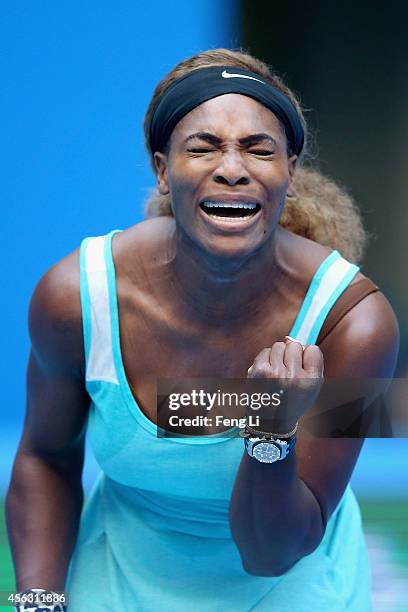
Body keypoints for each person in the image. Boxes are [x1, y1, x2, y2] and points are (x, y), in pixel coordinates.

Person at [6, 49, 399, 612]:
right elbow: (45, 458)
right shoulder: (76, 298)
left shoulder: (353, 323)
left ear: (289, 169)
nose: (233, 167)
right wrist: (38, 603)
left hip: (291, 586)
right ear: (163, 170)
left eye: (259, 149)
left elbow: (271, 552)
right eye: (203, 147)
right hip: (117, 579)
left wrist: (271, 429)